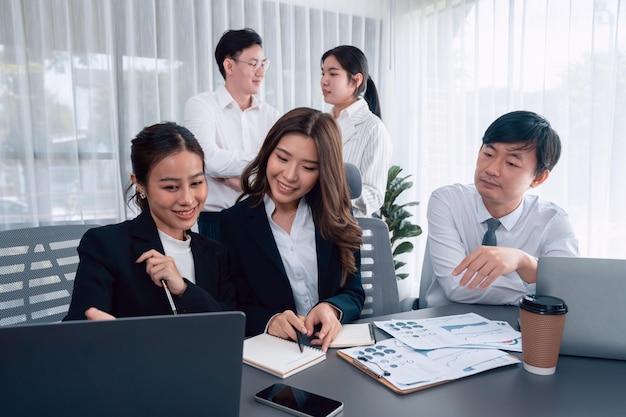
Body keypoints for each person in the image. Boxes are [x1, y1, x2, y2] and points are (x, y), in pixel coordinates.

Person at [220, 107, 365, 351]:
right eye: (282, 158)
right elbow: (233, 303)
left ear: (323, 172)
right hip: (278, 354)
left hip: (334, 350)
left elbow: (353, 291)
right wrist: (270, 321)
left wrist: (331, 309)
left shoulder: (336, 216)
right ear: (268, 153)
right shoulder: (234, 223)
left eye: (308, 168)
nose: (289, 175)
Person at [64, 122, 235, 320]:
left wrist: (184, 289)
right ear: (140, 185)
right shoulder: (106, 245)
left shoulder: (215, 253)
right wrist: (112, 333)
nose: (188, 199)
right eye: (171, 187)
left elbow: (231, 324)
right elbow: (78, 328)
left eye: (196, 183)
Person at [424, 110, 579, 307]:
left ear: (538, 178)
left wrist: (523, 261)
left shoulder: (552, 220)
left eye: (511, 163)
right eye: (488, 154)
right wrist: (536, 293)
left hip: (516, 328)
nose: (491, 169)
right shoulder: (447, 201)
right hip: (441, 323)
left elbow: (568, 293)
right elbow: (457, 286)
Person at [184, 28, 280, 241]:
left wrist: (240, 178)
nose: (261, 71)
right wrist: (261, 161)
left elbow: (277, 171)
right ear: (229, 65)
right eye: (253, 63)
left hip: (261, 219)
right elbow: (209, 161)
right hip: (216, 221)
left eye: (264, 64)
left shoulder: (272, 116)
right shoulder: (201, 105)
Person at [320, 45, 392, 217]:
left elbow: (374, 195)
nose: (324, 80)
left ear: (356, 80)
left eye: (333, 73)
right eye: (323, 73)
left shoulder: (373, 128)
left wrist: (333, 192)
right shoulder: (321, 123)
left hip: (346, 227)